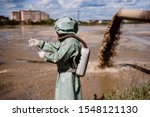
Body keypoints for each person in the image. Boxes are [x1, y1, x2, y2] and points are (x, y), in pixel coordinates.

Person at [29, 17, 82, 100]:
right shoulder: (67, 40)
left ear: (63, 29)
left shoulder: (71, 42)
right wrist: (39, 43)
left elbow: (58, 57)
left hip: (68, 76)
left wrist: (45, 55)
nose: (56, 32)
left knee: (68, 98)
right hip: (64, 74)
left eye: (57, 30)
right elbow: (55, 47)